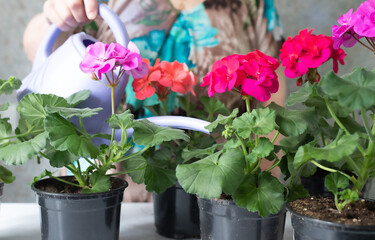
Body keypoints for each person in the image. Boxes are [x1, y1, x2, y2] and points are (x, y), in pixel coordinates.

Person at [23, 0, 286, 202]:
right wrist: (55, 14)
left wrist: (258, 188)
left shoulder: (252, 4)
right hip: (104, 187)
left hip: (216, 195)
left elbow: (272, 101)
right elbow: (38, 44)